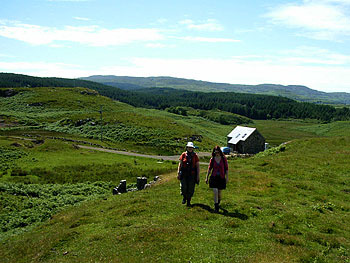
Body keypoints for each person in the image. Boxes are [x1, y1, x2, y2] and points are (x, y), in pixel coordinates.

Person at [205, 146, 229, 212]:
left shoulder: (224, 159)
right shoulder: (212, 159)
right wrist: (206, 177)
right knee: (215, 191)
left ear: (220, 152)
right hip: (214, 177)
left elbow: (226, 169)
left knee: (219, 193)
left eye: (218, 152)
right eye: (215, 152)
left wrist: (227, 177)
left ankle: (218, 202)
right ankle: (216, 206)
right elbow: (209, 168)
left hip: (221, 177)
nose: (217, 153)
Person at [177, 142, 200, 207]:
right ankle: (184, 197)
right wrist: (178, 172)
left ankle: (188, 201)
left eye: (191, 148)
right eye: (189, 147)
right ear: (187, 148)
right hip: (184, 174)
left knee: (190, 188)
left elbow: (197, 166)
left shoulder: (195, 156)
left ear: (193, 148)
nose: (190, 149)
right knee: (183, 187)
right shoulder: (183, 154)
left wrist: (198, 175)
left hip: (192, 174)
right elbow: (180, 164)